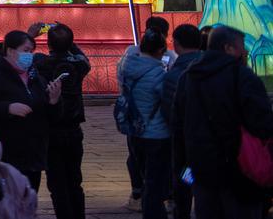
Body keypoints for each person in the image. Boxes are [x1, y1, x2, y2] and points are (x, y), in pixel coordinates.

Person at [173, 26, 273, 219]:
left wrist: (185, 176)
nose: (245, 52)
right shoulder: (242, 77)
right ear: (228, 48)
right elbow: (263, 125)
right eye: (241, 47)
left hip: (201, 173)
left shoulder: (188, 77)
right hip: (240, 174)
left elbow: (178, 130)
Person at [0, 29, 62, 191]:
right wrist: (7, 108)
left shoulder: (35, 77)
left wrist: (54, 101)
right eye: (25, 51)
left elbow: (50, 116)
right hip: (7, 152)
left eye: (31, 51)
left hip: (34, 153)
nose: (29, 55)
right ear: (10, 51)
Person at [116, 15, 173, 211]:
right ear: (160, 49)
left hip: (133, 127)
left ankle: (139, 193)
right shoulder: (160, 74)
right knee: (157, 177)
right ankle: (160, 203)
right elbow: (168, 102)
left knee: (137, 163)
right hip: (156, 132)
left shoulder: (125, 64)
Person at [34, 23, 90, 219]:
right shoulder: (79, 65)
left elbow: (15, 56)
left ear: (48, 43)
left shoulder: (41, 64)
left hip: (52, 130)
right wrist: (69, 43)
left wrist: (30, 36)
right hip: (74, 130)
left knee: (57, 183)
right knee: (74, 180)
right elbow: (84, 58)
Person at [161, 24, 202, 219]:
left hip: (186, 145)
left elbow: (171, 112)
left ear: (176, 45)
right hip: (214, 144)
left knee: (186, 179)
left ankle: (184, 209)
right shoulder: (214, 69)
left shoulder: (173, 76)